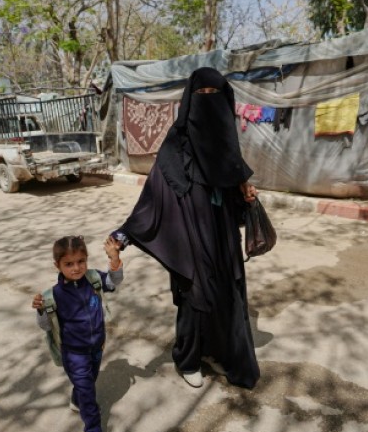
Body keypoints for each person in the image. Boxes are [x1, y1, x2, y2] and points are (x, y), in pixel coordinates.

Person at [112, 67, 261, 390]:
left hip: (222, 239)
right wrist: (124, 235)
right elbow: (153, 198)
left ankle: (220, 352)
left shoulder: (227, 148)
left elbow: (234, 198)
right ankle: (188, 358)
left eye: (215, 95)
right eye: (201, 95)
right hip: (190, 238)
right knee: (196, 299)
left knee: (225, 297)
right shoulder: (174, 148)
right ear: (188, 101)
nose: (208, 101)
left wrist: (245, 196)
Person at [31, 235, 123, 432]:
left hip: (97, 346)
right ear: (58, 265)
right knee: (89, 393)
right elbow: (45, 326)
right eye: (69, 264)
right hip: (73, 354)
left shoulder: (93, 279)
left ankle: (76, 398)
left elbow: (114, 282)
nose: (76, 268)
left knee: (88, 382)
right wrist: (41, 310)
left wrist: (114, 260)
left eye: (81, 261)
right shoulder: (53, 295)